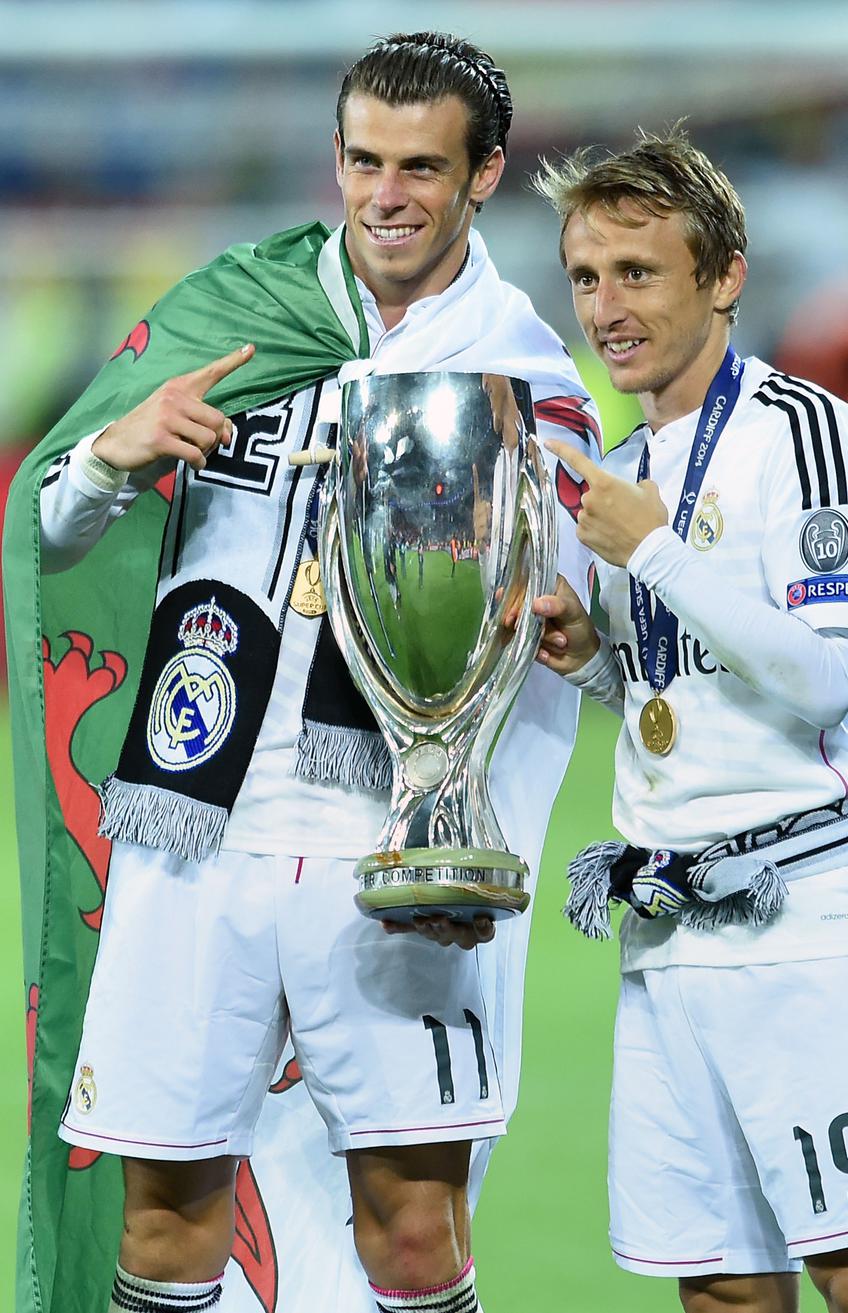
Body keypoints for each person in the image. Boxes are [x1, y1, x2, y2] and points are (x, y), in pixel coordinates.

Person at [8, 33, 598, 1313]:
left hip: (377, 821)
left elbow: (576, 559)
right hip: (192, 817)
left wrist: (570, 607)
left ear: (485, 172)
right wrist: (116, 452)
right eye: (365, 160)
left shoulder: (518, 359)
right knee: (163, 1212)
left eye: (422, 168)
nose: (385, 194)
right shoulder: (232, 310)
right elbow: (48, 525)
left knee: (411, 1227)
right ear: (334, 157)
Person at [530, 132, 848, 1313]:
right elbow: (684, 693)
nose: (607, 306)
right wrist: (600, 660)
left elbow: (820, 676)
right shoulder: (620, 462)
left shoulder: (809, 437)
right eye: (588, 276)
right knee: (720, 1294)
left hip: (807, 921)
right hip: (665, 930)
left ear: (724, 275)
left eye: (639, 273)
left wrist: (646, 547)